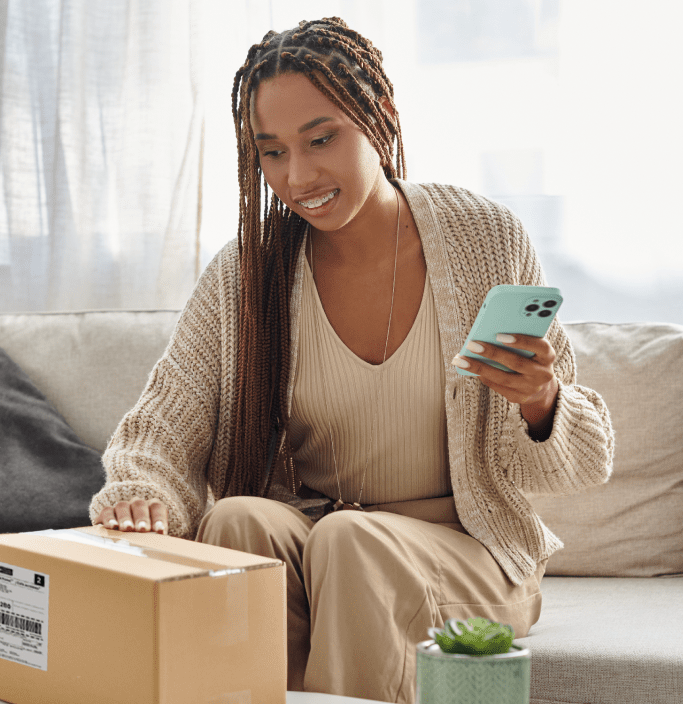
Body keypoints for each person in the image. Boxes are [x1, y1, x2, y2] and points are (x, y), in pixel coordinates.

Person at [91, 17, 614, 704]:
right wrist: (140, 494)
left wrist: (541, 403)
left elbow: (578, 466)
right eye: (271, 152)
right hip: (319, 535)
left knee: (350, 540)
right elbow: (169, 414)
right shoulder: (249, 273)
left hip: (466, 554)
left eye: (320, 139)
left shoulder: (482, 236)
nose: (297, 176)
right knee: (235, 520)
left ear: (381, 115)